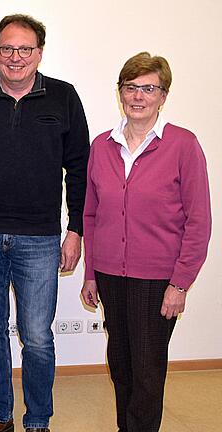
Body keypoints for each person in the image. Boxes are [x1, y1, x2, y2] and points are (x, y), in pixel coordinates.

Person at [0, 14, 90, 432]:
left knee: (38, 337)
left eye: (24, 49)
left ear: (39, 53)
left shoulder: (64, 97)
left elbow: (79, 169)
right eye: (7, 48)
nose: (15, 57)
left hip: (40, 238)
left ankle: (39, 419)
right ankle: (0, 414)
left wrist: (76, 228)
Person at [81, 52, 211, 432]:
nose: (138, 96)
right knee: (120, 362)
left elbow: (198, 220)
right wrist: (90, 274)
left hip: (157, 280)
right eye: (131, 87)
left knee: (147, 369)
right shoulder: (101, 146)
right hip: (109, 274)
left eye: (148, 88)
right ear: (120, 92)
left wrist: (180, 283)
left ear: (163, 95)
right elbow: (91, 214)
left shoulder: (183, 145)